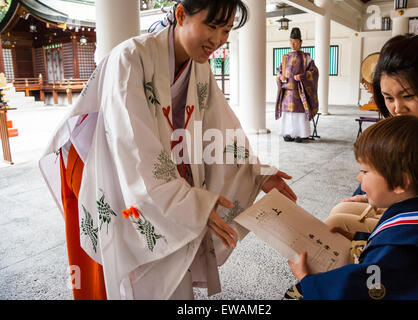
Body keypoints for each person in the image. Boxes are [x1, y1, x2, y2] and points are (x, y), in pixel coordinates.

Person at [39, 0, 297, 300]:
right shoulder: (129, 58)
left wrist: (255, 173)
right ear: (180, 14)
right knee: (116, 262)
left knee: (171, 240)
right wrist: (187, 201)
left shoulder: (199, 67)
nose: (218, 39)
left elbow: (221, 126)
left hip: (152, 170)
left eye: (226, 30)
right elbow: (132, 144)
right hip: (100, 167)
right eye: (211, 26)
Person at [285, 115, 418, 299]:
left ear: (400, 182)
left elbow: (360, 289)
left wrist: (307, 280)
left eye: (364, 171)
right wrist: (360, 242)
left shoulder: (397, 247)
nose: (358, 178)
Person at [324, 34, 418, 233]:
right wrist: (369, 196)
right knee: (341, 211)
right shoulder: (402, 127)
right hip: (404, 210)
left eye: (408, 96)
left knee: (336, 224)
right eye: (388, 98)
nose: (397, 108)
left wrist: (388, 207)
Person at [275, 27, 319, 143]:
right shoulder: (286, 57)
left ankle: (301, 134)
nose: (292, 44)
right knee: (288, 115)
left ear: (300, 43)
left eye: (295, 42)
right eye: (291, 41)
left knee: (299, 114)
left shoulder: (306, 57)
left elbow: (314, 72)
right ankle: (288, 133)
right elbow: (279, 70)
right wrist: (281, 76)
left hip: (299, 91)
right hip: (287, 91)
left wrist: (303, 76)